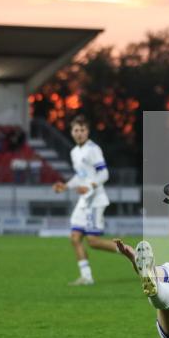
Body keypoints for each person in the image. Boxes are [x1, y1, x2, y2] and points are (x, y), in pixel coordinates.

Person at [52, 116, 117, 285]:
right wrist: (65, 186)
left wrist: (89, 187)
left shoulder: (93, 149)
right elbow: (80, 176)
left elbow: (104, 174)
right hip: (84, 200)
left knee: (93, 242)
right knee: (75, 238)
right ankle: (86, 277)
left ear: (87, 132)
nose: (79, 133)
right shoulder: (74, 152)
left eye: (82, 130)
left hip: (95, 199)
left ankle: (134, 254)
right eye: (76, 130)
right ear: (72, 132)